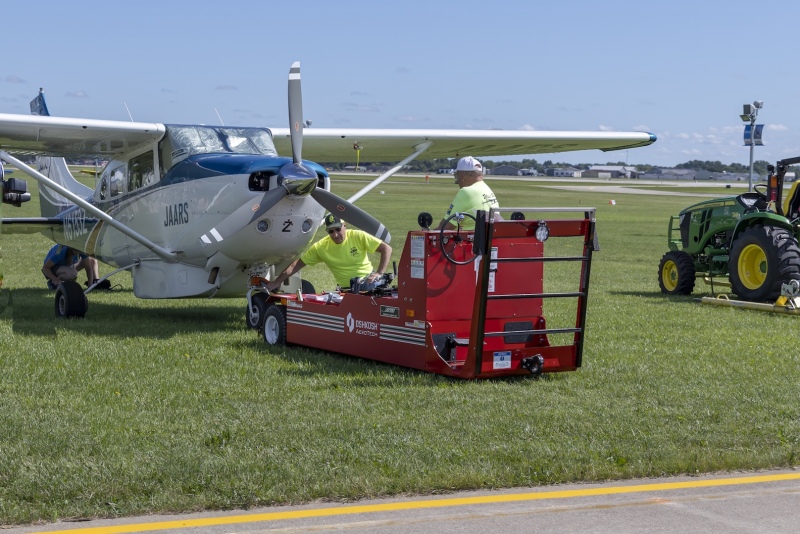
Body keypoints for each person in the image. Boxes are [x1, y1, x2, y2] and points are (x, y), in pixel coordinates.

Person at [267, 214, 392, 293]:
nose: (335, 235)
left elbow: (386, 249)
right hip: (345, 290)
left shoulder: (358, 236)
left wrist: (379, 273)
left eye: (338, 229)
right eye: (331, 231)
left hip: (367, 283)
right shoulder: (321, 247)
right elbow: (296, 265)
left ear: (345, 226)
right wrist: (276, 283)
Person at [435, 156, 499, 231]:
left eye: (456, 176)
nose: (457, 181)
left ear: (463, 176)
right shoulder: (488, 190)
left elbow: (443, 228)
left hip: (473, 238)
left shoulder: (465, 192)